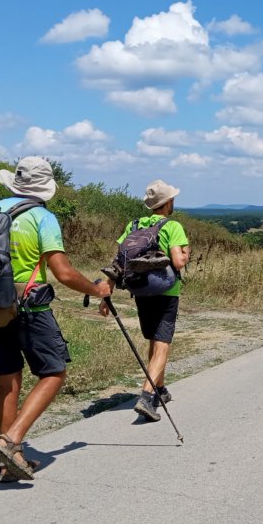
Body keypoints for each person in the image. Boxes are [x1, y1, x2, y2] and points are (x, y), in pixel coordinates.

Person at [0, 156, 111, 482]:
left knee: (8, 379)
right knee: (54, 372)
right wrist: (96, 289)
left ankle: (10, 462)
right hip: (30, 308)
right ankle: (10, 441)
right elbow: (63, 273)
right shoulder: (42, 217)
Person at [101, 179, 190, 422]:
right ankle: (147, 397)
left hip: (141, 290)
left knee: (154, 339)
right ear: (168, 202)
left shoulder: (135, 225)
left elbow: (119, 260)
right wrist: (186, 252)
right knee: (162, 343)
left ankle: (160, 389)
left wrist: (107, 291)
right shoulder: (172, 226)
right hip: (166, 292)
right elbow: (178, 262)